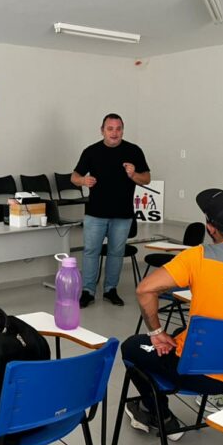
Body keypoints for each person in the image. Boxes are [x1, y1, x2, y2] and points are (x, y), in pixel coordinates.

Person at [121, 189, 223, 438]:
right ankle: (148, 407)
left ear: (211, 228)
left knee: (133, 346)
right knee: (178, 334)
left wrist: (155, 332)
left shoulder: (198, 256)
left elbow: (145, 289)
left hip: (195, 370)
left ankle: (159, 414)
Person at [71, 113, 150, 307]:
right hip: (95, 213)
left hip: (122, 214)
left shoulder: (134, 151)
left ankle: (110, 290)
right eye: (110, 128)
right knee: (91, 252)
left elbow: (146, 178)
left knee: (116, 252)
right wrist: (83, 181)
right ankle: (88, 291)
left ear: (123, 130)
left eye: (118, 128)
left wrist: (133, 174)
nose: (114, 133)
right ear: (102, 130)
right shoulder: (91, 151)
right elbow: (74, 176)